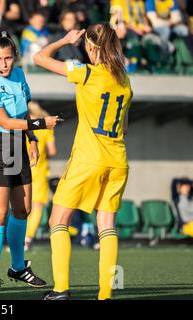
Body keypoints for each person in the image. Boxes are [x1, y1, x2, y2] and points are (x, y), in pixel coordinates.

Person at [34, 23, 132, 300]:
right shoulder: (125, 80)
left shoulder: (86, 73)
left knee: (58, 220)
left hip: (88, 159)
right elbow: (124, 127)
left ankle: (61, 289)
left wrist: (64, 41)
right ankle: (105, 294)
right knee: (107, 226)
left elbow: (39, 58)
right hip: (118, 160)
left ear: (90, 47)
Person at [0, 31, 61, 291]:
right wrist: (41, 124)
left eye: (7, 58)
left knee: (23, 208)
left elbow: (23, 112)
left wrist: (32, 138)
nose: (2, 63)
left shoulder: (20, 76)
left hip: (18, 144)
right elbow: (5, 121)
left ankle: (18, 268)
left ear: (14, 58)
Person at [24, 101, 56, 251]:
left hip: (22, 168)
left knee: (21, 206)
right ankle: (28, 238)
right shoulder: (45, 126)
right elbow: (52, 151)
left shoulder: (23, 123)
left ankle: (19, 238)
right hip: (39, 169)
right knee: (37, 206)